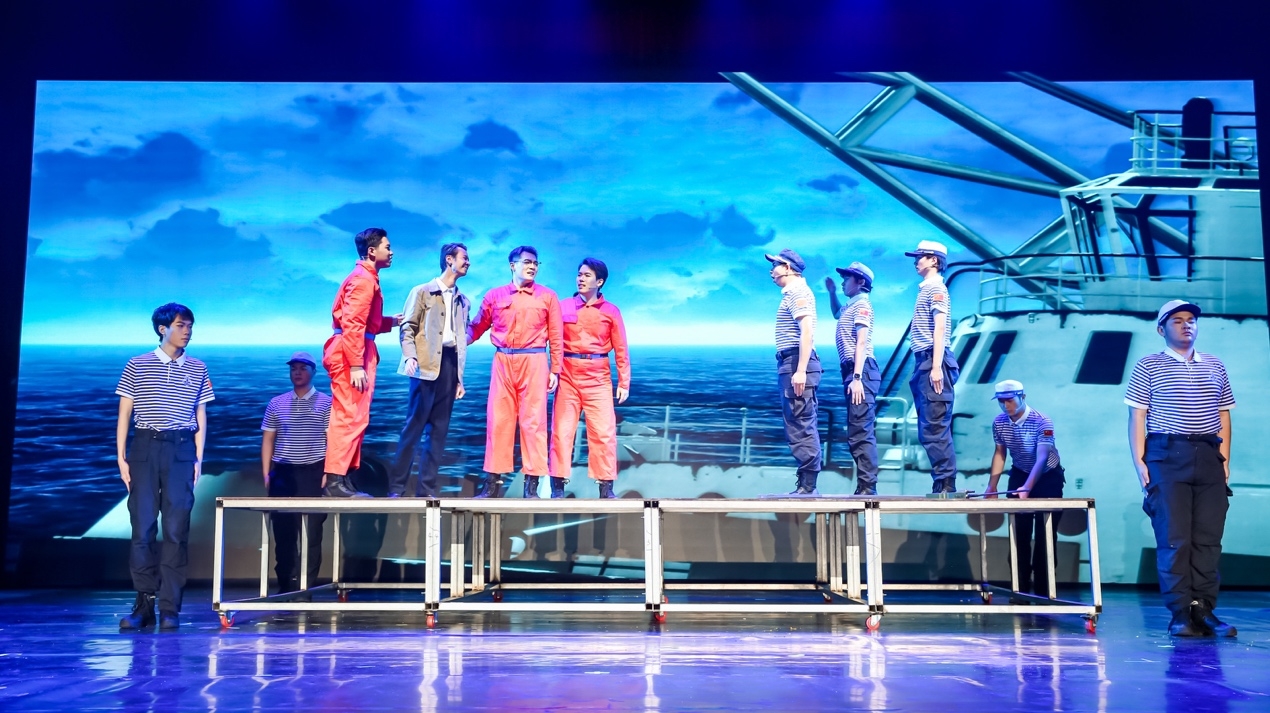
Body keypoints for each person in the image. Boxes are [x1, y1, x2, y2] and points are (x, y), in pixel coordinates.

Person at [1126, 300, 1236, 637]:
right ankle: (1180, 613)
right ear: (1161, 329)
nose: (1186, 325)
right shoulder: (1148, 365)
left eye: (1191, 320)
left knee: (1208, 539)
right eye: (1177, 320)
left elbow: (1223, 414)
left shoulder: (1215, 365)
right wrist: (1140, 463)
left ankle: (1204, 610)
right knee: (1174, 538)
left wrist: (1225, 459)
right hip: (1167, 453)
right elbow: (1137, 417)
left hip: (1208, 453)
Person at [116, 303, 214, 630]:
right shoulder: (137, 364)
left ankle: (170, 607)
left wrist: (198, 458)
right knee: (143, 527)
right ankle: (144, 604)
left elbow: (201, 415)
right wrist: (121, 456)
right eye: (181, 325)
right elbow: (125, 412)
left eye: (190, 325)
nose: (187, 331)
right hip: (145, 447)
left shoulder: (198, 367)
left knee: (175, 529)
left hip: (181, 448)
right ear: (163, 328)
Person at [468, 245, 563, 498]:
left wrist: (555, 369)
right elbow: (477, 327)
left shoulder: (547, 296)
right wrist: (456, 340)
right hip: (503, 361)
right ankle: (492, 485)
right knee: (498, 422)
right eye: (527, 262)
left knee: (534, 423)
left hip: (534, 361)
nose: (532, 266)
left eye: (535, 263)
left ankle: (531, 487)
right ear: (513, 265)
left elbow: (556, 336)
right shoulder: (495, 295)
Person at [388, 243, 472, 498]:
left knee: (439, 432)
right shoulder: (422, 291)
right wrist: (410, 356)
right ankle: (396, 489)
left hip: (449, 366)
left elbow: (460, 341)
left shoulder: (463, 301)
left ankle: (425, 490)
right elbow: (407, 328)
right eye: (464, 257)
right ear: (449, 260)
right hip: (424, 366)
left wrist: (459, 379)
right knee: (413, 429)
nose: (468, 262)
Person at [322, 227, 400, 498]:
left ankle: (343, 477)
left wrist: (392, 322)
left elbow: (366, 322)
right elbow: (353, 323)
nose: (391, 252)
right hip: (351, 352)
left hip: (357, 348)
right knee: (349, 415)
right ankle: (335, 481)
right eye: (387, 247)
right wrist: (356, 364)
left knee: (356, 416)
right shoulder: (363, 280)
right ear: (372, 251)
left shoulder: (367, 278)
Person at [549, 258, 632, 499]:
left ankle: (605, 487)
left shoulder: (611, 311)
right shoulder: (562, 306)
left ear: (600, 281)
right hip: (568, 374)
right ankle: (557, 486)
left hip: (598, 376)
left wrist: (624, 382)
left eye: (586, 275)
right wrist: (551, 371)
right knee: (562, 431)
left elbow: (621, 348)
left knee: (603, 432)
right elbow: (550, 339)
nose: (580, 279)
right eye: (579, 274)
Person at [984, 379, 1065, 596]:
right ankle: (1019, 590)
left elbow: (1042, 457)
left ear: (1023, 397)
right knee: (1019, 534)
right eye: (1001, 401)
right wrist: (992, 486)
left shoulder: (1042, 421)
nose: (1005, 405)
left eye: (1010, 400)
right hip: (1019, 472)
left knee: (1045, 536)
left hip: (1047, 477)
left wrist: (1027, 488)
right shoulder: (999, 422)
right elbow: (1000, 453)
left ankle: (1044, 591)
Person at [261, 352, 333, 596]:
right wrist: (266, 473)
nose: (298, 372)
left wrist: (328, 471)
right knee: (284, 533)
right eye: (294, 369)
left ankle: (306, 587)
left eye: (303, 368)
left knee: (312, 533)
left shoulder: (326, 403)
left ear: (313, 371)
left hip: (314, 470)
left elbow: (331, 440)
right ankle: (285, 585)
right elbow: (268, 439)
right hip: (283, 472)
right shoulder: (276, 403)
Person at [904, 240, 960, 494]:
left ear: (934, 260)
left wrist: (936, 367)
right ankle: (942, 480)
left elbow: (940, 328)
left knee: (934, 426)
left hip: (931, 360)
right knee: (928, 427)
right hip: (924, 360)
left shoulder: (936, 288)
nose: (916, 261)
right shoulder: (926, 289)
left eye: (921, 257)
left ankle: (946, 482)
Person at [766, 249, 823, 495]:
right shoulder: (792, 293)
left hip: (797, 361)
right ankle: (806, 482)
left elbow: (807, 331)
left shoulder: (798, 292)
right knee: (797, 421)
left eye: (776, 265)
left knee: (801, 422)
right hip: (791, 361)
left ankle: (808, 485)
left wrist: (800, 370)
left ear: (788, 267)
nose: (772, 271)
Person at [831, 261, 880, 496]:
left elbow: (861, 341)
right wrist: (832, 292)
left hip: (861, 370)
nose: (843, 282)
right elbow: (835, 313)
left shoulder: (862, 306)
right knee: (855, 429)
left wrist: (858, 377)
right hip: (852, 370)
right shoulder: (850, 306)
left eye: (846, 278)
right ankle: (864, 484)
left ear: (860, 282)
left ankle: (867, 486)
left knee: (860, 429)